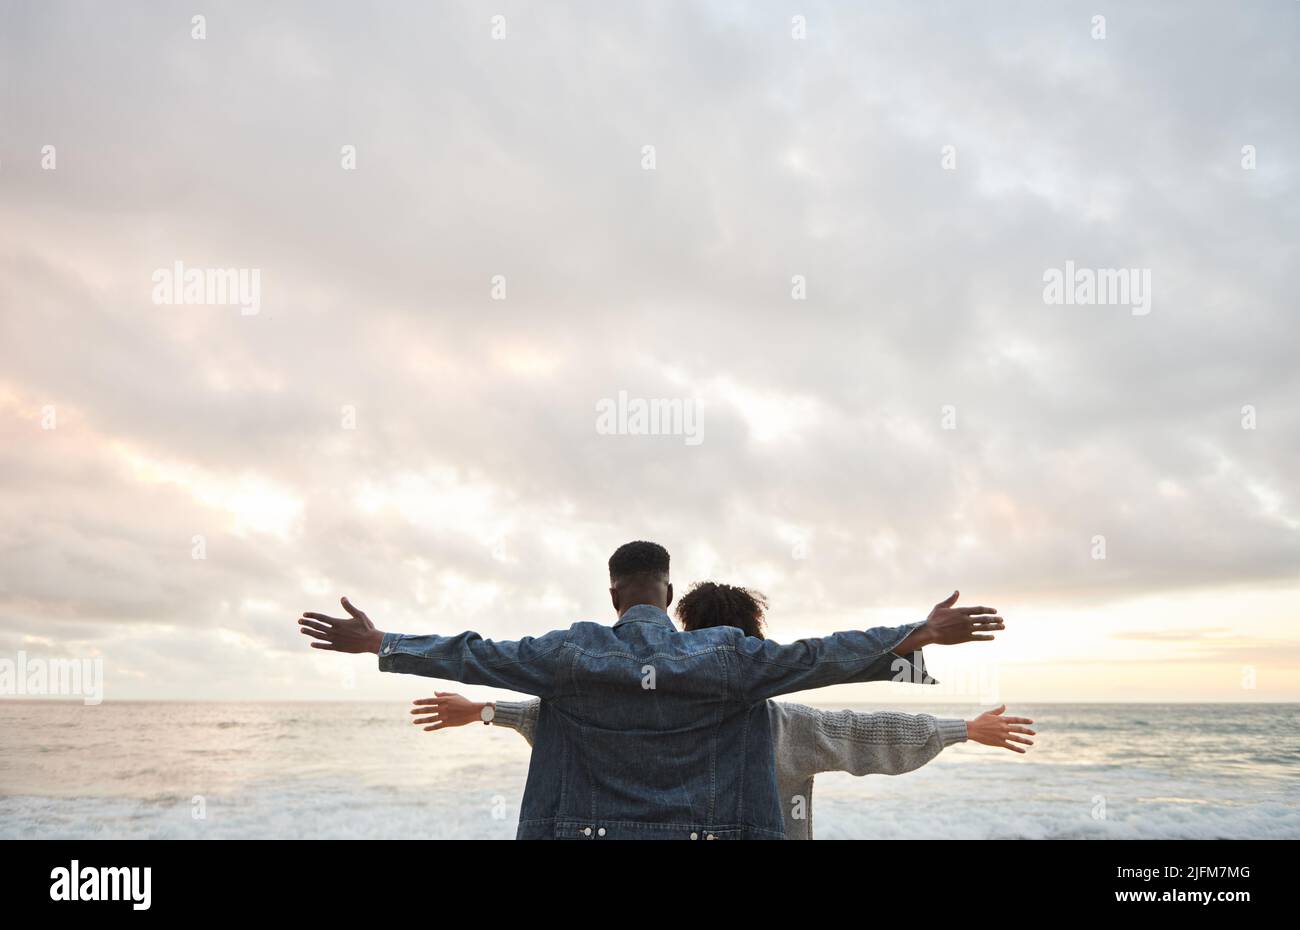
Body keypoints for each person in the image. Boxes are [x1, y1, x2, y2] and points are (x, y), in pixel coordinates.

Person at [298, 540, 1005, 839]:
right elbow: (823, 657)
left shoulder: (565, 658)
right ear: (667, 592)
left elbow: (475, 654)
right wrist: (915, 634)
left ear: (613, 595)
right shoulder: (733, 662)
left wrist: (382, 643)